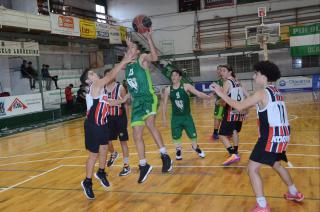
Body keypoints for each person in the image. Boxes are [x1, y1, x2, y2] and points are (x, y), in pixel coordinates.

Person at [211, 61, 304, 211]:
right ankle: (294, 192)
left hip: (270, 136)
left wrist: (221, 93)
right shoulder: (276, 92)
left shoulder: (262, 93)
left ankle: (262, 205)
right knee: (276, 164)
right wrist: (244, 111)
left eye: (256, 73)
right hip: (283, 135)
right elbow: (255, 107)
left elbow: (241, 105)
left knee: (252, 169)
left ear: (264, 75)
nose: (254, 76)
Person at [79, 52, 134, 200]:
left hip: (103, 123)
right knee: (93, 155)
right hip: (93, 125)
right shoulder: (95, 86)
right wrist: (124, 61)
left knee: (104, 149)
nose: (94, 74)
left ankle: (101, 172)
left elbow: (111, 103)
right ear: (88, 81)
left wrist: (123, 100)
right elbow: (110, 76)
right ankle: (87, 182)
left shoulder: (101, 90)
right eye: (91, 74)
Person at [125, 33, 173, 184]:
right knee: (136, 134)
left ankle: (164, 155)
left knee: (150, 125)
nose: (130, 49)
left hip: (148, 98)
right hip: (137, 102)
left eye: (133, 47)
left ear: (138, 51)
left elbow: (155, 57)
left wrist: (150, 39)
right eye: (129, 48)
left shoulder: (142, 58)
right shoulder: (127, 66)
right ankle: (143, 165)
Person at [162, 69, 211, 160]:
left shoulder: (186, 86)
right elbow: (164, 104)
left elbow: (198, 93)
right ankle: (178, 150)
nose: (173, 77)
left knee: (193, 135)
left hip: (186, 117)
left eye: (176, 75)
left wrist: (208, 97)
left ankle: (195, 147)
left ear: (180, 77)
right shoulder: (168, 90)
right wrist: (164, 118)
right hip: (176, 118)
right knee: (176, 136)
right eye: (172, 75)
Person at [216, 65, 247, 166]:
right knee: (234, 131)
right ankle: (236, 150)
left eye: (224, 71)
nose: (221, 73)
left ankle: (232, 153)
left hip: (230, 112)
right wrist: (245, 110)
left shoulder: (227, 82)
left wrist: (218, 102)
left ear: (230, 72)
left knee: (221, 134)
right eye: (221, 71)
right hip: (239, 111)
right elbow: (245, 95)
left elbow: (223, 100)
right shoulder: (237, 81)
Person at [103, 69, 131, 176]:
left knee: (123, 142)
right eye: (106, 76)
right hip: (108, 118)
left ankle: (126, 166)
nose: (108, 78)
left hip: (120, 118)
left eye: (110, 75)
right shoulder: (103, 89)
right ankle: (114, 154)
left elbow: (126, 104)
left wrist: (127, 120)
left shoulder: (120, 87)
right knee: (107, 142)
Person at [211, 65, 225, 140]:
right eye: (218, 70)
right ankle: (216, 133)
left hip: (223, 102)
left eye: (221, 70)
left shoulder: (225, 81)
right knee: (218, 117)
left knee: (220, 117)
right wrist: (210, 95)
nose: (219, 71)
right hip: (221, 102)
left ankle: (219, 133)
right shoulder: (218, 81)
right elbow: (214, 92)